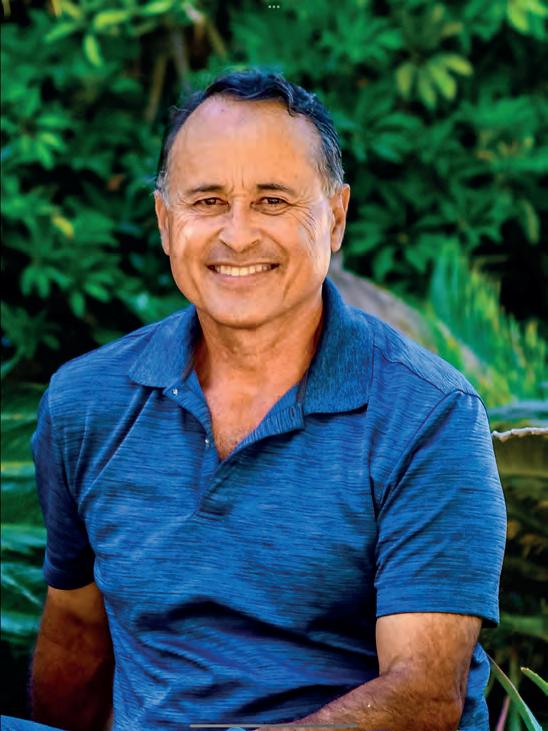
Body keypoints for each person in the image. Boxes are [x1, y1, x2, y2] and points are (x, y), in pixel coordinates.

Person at [30, 69, 507, 731]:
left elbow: (423, 695)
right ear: (166, 222)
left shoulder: (429, 416)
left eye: (272, 200)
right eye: (208, 200)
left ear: (335, 217)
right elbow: (77, 632)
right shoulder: (86, 402)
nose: (238, 234)